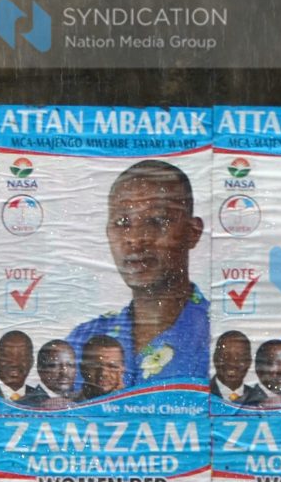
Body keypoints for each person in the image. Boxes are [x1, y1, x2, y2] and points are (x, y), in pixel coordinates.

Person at [62, 159, 209, 399]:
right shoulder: (80, 340)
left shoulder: (215, 333)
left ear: (192, 232)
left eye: (156, 221)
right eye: (122, 223)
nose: (136, 238)